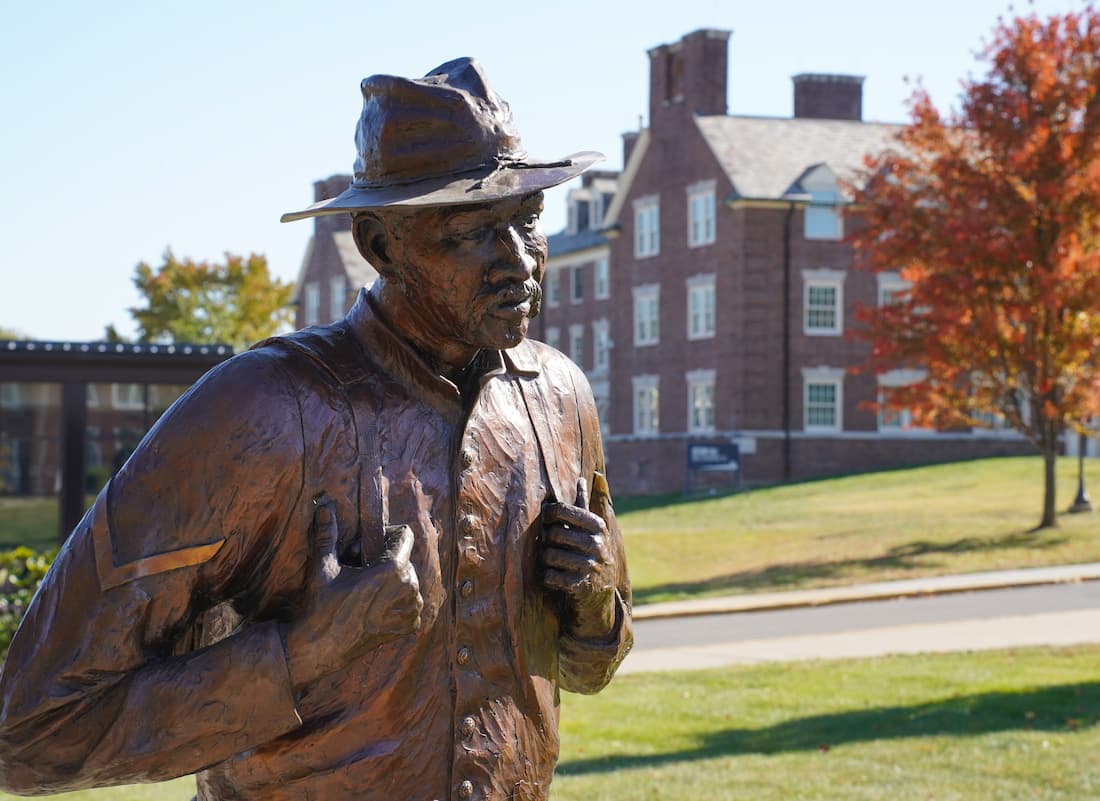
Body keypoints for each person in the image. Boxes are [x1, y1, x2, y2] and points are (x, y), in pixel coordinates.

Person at [0, 58, 632, 801]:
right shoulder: (261, 411)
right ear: (379, 244)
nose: (521, 261)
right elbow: (32, 734)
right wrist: (304, 653)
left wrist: (595, 607)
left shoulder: (559, 396)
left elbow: (587, 667)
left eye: (527, 218)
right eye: (472, 234)